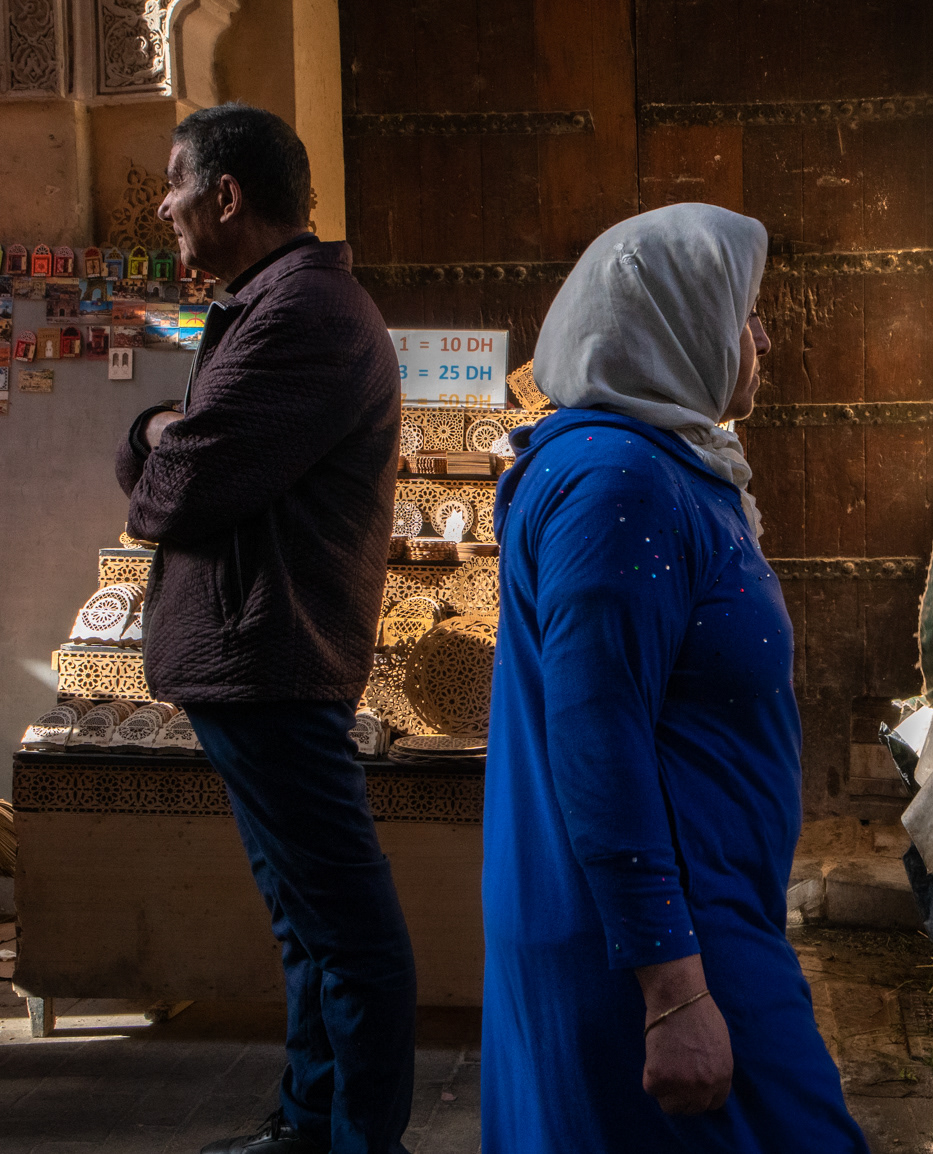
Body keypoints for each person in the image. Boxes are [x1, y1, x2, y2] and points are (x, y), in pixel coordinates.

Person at [482, 202, 869, 1152]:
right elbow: (596, 739)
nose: (763, 336)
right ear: (670, 323)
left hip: (704, 907)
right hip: (666, 937)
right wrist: (674, 989)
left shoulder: (665, 464)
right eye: (743, 313)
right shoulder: (620, 481)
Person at [115, 103, 412, 1154]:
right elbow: (182, 470)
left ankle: (360, 1137)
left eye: (174, 185)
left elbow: (172, 490)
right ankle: (310, 1121)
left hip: (272, 655)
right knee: (308, 922)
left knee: (350, 931)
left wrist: (155, 434)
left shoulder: (300, 316)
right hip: (256, 657)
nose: (164, 206)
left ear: (226, 196)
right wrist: (164, 438)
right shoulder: (276, 305)